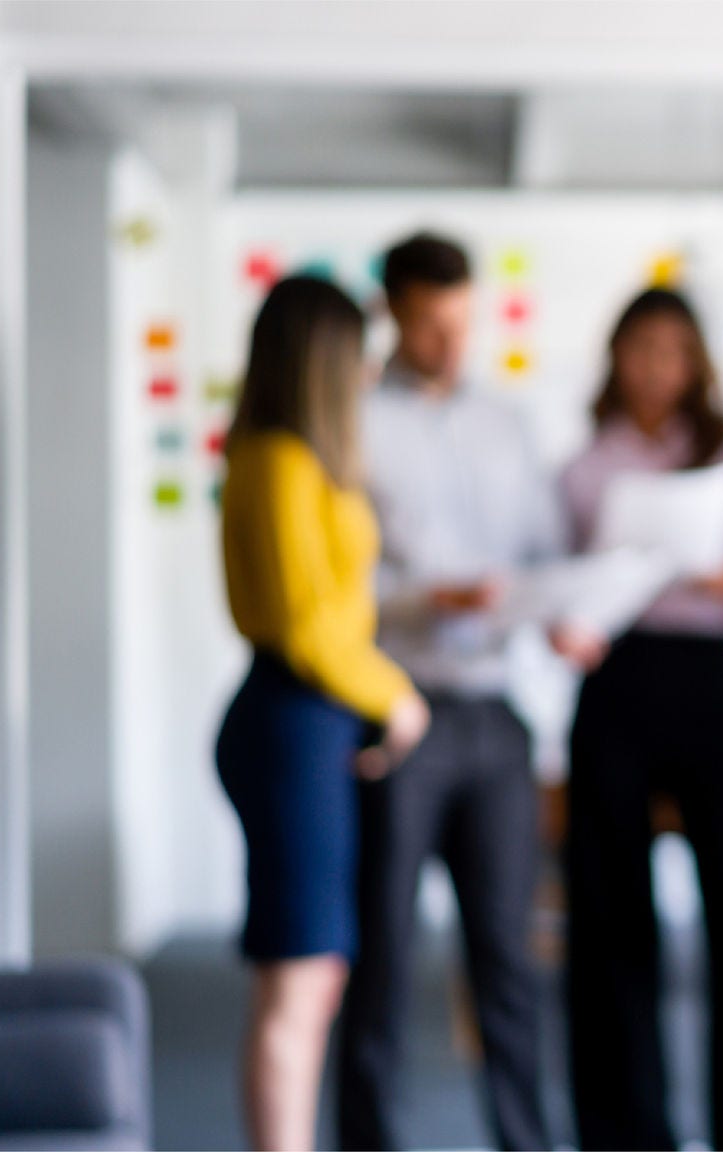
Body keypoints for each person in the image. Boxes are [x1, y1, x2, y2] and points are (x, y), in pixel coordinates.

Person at [555, 287, 723, 1150]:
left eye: (673, 350)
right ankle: (624, 1133)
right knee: (611, 918)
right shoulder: (586, 463)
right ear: (616, 357)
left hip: (701, 679)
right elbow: (558, 582)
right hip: (614, 682)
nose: (657, 366)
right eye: (641, 348)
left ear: (695, 362)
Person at [335, 232, 553, 1152]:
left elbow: (541, 551)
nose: (450, 343)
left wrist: (556, 605)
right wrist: (427, 598)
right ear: (393, 314)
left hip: (497, 716)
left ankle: (526, 1143)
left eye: (461, 324)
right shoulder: (351, 423)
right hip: (399, 710)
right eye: (430, 326)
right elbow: (338, 585)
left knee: (507, 959)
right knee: (379, 957)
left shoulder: (506, 422)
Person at [216, 275, 431, 1152]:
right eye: (364, 352)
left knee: (316, 979)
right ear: (325, 359)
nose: (375, 370)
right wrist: (398, 697)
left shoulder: (301, 458)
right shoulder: (277, 461)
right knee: (297, 984)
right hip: (292, 719)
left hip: (315, 723)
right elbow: (307, 627)